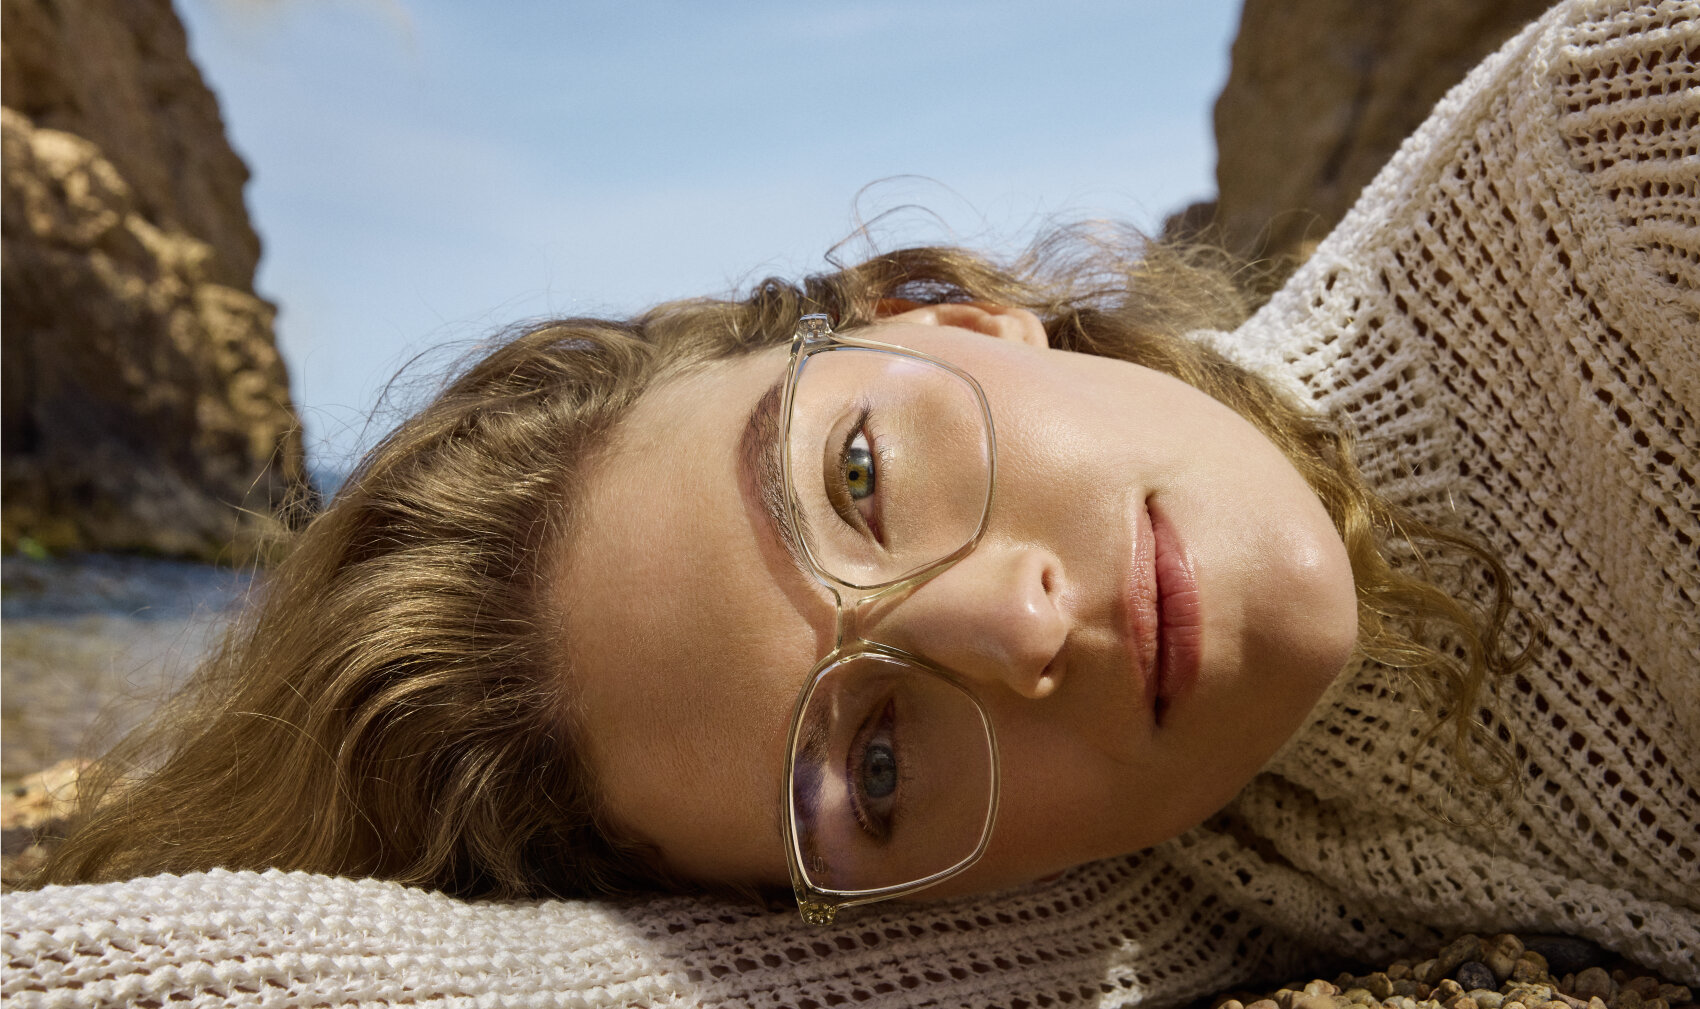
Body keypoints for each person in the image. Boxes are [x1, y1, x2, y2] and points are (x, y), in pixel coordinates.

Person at [6, 0, 1695, 1004]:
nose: (1019, 625)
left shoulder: (1619, 163)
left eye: (862, 478)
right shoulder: (1132, 869)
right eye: (874, 757)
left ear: (953, 316)